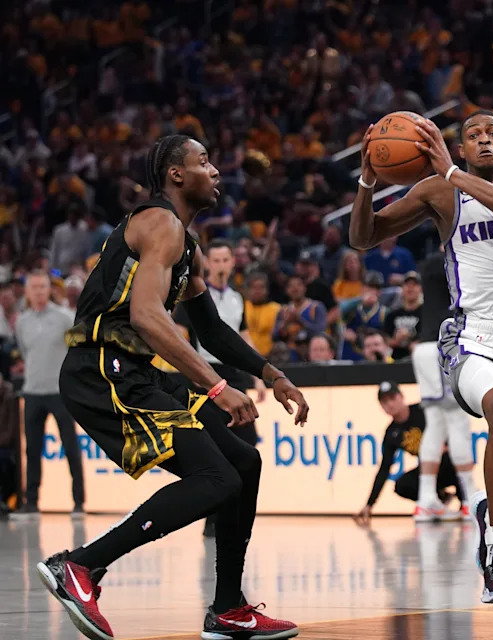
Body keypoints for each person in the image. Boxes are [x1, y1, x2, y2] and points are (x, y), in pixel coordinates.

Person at [38, 135, 309, 640]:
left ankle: (229, 608)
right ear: (176, 174)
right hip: (102, 370)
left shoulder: (187, 245)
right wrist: (216, 386)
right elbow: (146, 315)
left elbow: (212, 330)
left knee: (243, 464)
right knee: (217, 478)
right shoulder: (160, 223)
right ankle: (81, 566)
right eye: (204, 161)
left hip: (134, 370)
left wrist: (272, 374)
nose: (216, 170)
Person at [349, 110, 493, 604]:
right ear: (460, 148)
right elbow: (363, 237)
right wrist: (367, 182)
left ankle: (489, 513)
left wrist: (452, 172)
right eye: (472, 136)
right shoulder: (439, 192)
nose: (484, 140)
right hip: (472, 336)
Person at [174, 239, 267, 538]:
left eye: (226, 259)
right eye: (216, 260)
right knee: (215, 449)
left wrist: (259, 375)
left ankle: (235, 515)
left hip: (234, 375)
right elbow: (179, 336)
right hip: (206, 374)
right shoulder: (193, 296)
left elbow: (244, 338)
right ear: (207, 264)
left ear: (232, 262)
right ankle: (212, 519)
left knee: (246, 444)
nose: (222, 265)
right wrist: (194, 372)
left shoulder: (237, 299)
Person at [410, 250, 477, 521]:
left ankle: (426, 498)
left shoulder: (428, 263)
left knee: (435, 425)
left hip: (424, 348)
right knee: (458, 421)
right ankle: (469, 498)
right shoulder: (456, 258)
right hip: (443, 345)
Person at [15, 271, 84, 517]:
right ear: (27, 291)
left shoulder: (65, 317)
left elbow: (77, 350)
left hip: (59, 392)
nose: (39, 291)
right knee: (32, 450)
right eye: (34, 287)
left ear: (50, 289)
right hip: (32, 391)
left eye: (43, 287)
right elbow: (25, 352)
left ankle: (79, 502)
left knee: (71, 447)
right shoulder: (22, 322)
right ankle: (32, 503)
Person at [354, 382, 465, 525]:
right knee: (402, 485)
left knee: (451, 458)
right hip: (429, 472)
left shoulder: (422, 410)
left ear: (401, 396)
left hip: (448, 462)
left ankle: (465, 502)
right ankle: (439, 500)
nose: (390, 404)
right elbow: (384, 469)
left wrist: (447, 444)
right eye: (385, 402)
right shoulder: (392, 433)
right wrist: (369, 504)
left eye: (392, 398)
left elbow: (449, 423)